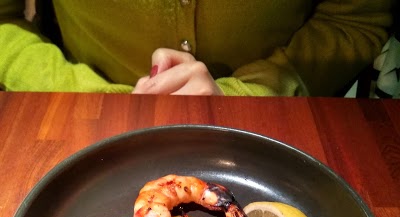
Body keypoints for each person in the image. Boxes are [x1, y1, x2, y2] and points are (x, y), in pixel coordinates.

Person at [0, 0, 394, 96]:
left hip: (277, 123)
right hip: (76, 119)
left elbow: (356, 19)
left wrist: (247, 95)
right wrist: (92, 97)